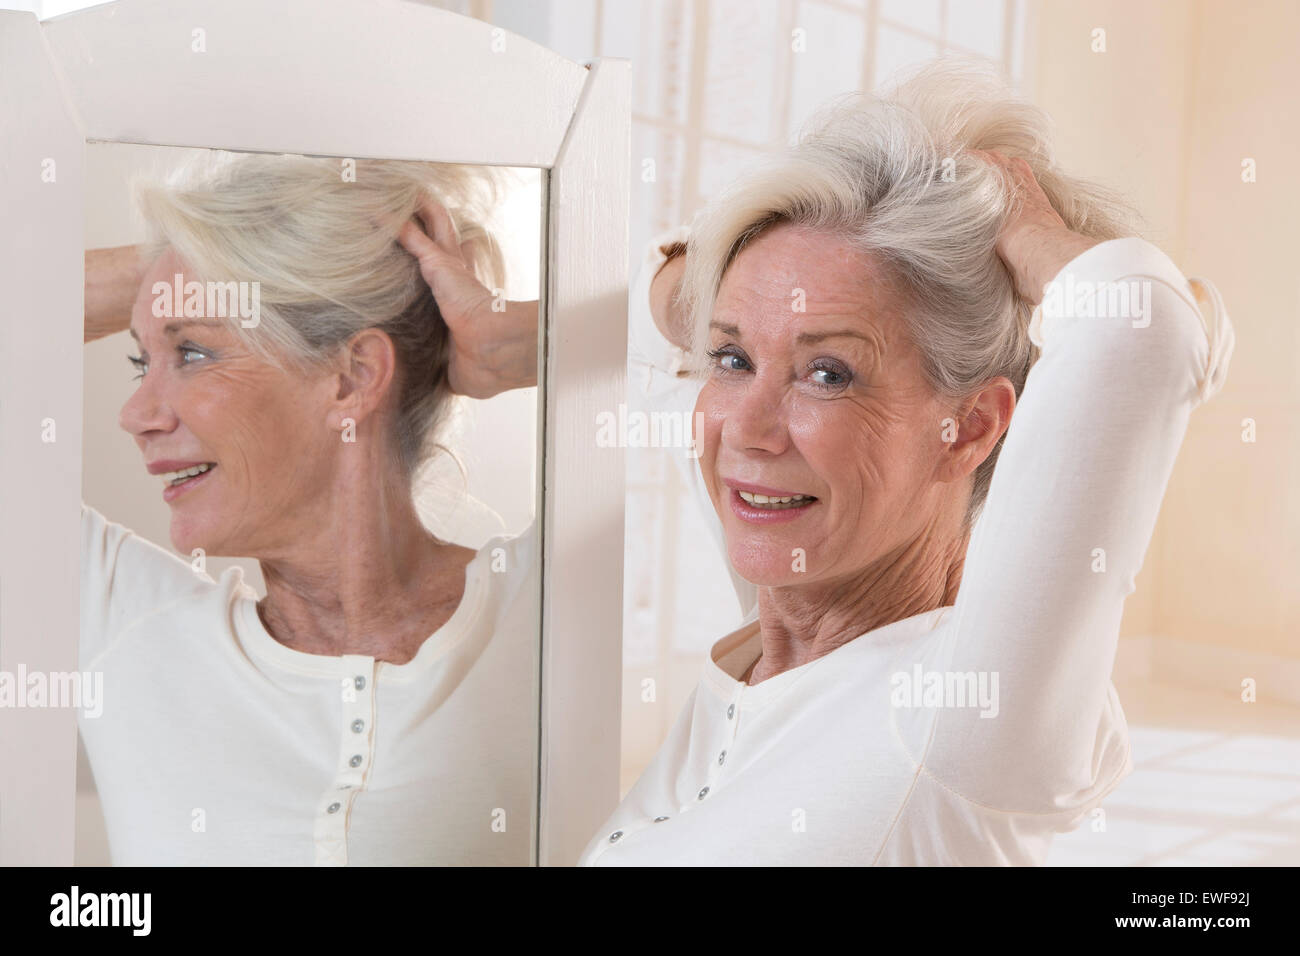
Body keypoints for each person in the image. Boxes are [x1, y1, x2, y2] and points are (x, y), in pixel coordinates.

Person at [577, 59, 1235, 865]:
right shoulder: (789, 620)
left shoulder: (959, 714)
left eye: (830, 374)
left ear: (969, 426)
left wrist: (1022, 228)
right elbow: (653, 343)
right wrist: (745, 283)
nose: (746, 430)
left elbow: (1136, 330)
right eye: (731, 359)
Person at [80, 153, 542, 865]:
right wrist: (165, 262)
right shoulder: (121, 624)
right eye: (143, 361)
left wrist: (525, 344)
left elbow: (740, 327)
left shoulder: (548, 607)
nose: (136, 413)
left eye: (194, 352)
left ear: (352, 379)